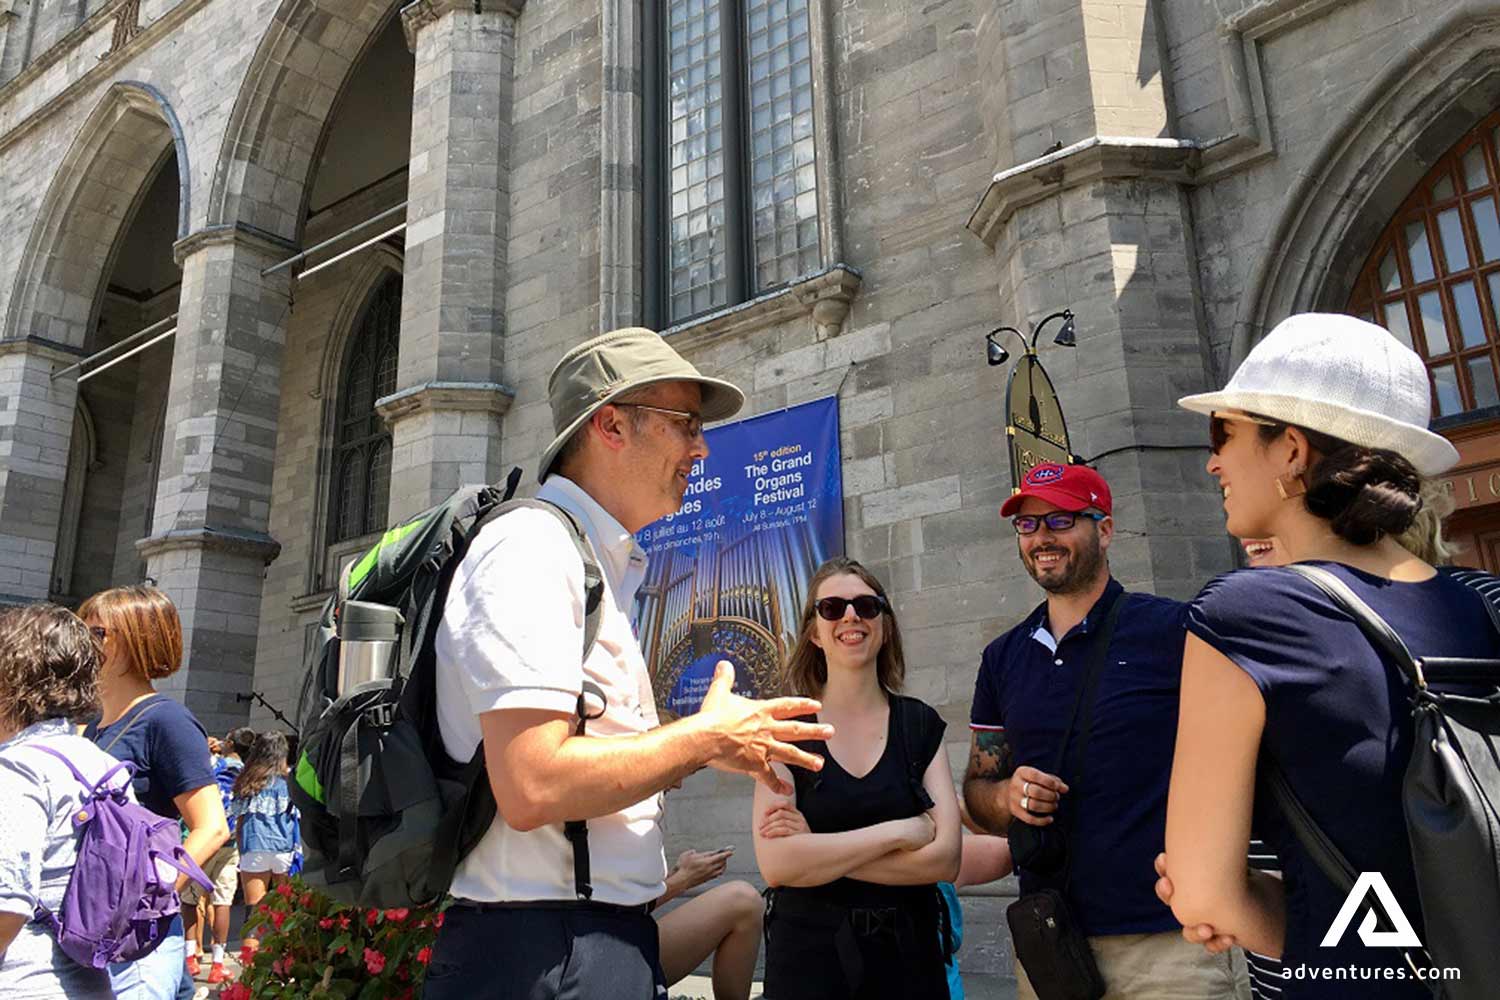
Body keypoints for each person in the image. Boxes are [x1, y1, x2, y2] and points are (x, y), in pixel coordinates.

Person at [423, 327, 834, 1000]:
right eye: (685, 426)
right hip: (545, 954)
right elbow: (533, 783)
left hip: (580, 944)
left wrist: (700, 746)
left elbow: (578, 757)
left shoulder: (586, 559)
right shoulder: (532, 549)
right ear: (612, 425)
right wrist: (702, 737)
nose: (701, 448)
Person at [1160, 313, 1500, 998]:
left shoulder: (1247, 615)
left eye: (1222, 432)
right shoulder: (1482, 606)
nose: (1212, 461)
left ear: (1290, 450)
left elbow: (1202, 895)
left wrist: (1326, 930)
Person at [962, 462, 1249, 1000]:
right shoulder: (1002, 658)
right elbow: (977, 795)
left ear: (1106, 529)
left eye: (1061, 519)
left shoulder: (1175, 631)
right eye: (1027, 525)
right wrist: (1006, 795)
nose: (1042, 537)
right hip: (1052, 945)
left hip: (1173, 944)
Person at [752, 556, 961, 999]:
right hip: (808, 965)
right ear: (814, 631)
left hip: (910, 964)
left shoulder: (920, 726)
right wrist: (902, 831)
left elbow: (945, 859)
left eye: (867, 606)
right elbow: (777, 865)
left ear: (883, 625)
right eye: (832, 608)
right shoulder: (786, 728)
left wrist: (818, 853)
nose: (851, 616)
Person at [78, 586, 229, 1000]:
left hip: (136, 939)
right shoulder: (94, 726)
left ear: (136, 641)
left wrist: (149, 896)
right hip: (96, 928)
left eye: (97, 633)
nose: (83, 643)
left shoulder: (168, 721)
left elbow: (213, 827)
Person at [0, 604, 120, 999]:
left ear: (12, 676)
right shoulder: (105, 766)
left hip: (20, 982)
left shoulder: (18, 768)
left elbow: (7, 904)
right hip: (90, 983)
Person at [652, 847, 763, 1000]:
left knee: (742, 901)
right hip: (613, 956)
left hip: (631, 934)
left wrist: (675, 877)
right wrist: (682, 880)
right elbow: (616, 909)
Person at [229, 730, 297, 958]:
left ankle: (249, 967)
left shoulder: (248, 780)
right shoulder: (290, 782)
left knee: (254, 912)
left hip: (254, 847)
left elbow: (238, 821)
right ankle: (286, 961)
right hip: (285, 849)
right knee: (285, 909)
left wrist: (241, 850)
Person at [183, 733, 243, 983]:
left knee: (189, 899)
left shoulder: (210, 765)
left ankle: (190, 959)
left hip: (205, 838)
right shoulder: (245, 771)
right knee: (223, 902)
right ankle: (218, 963)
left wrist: (206, 750)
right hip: (230, 841)